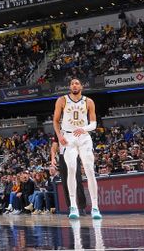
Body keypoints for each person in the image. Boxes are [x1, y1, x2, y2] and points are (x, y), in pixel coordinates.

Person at [53, 78, 102, 219]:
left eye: (77, 83)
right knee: (72, 169)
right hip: (68, 137)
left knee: (89, 169)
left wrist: (83, 128)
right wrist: (59, 135)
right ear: (69, 86)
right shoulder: (62, 100)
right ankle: (73, 206)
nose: (74, 85)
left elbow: (93, 124)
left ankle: (95, 207)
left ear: (81, 86)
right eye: (72, 83)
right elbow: (56, 121)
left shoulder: (89, 101)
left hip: (84, 136)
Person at [50, 134, 86, 214]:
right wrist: (53, 158)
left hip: (74, 155)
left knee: (78, 181)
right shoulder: (58, 131)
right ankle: (71, 207)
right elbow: (54, 146)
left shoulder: (74, 128)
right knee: (65, 184)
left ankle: (81, 207)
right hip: (63, 157)